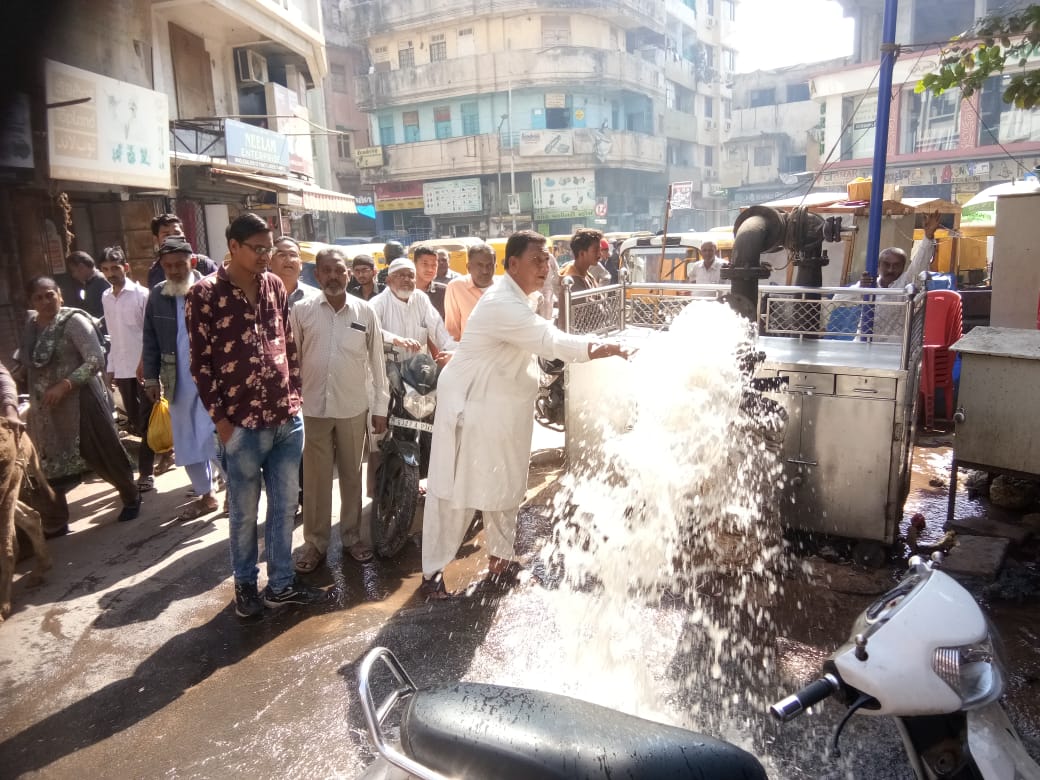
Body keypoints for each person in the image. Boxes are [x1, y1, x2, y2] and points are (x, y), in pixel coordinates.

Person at [419, 230, 629, 599]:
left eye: (546, 259)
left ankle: (500, 560)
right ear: (512, 263)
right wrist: (602, 346)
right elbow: (549, 340)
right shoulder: (504, 302)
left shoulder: (521, 298)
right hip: (473, 407)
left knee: (505, 483)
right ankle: (432, 574)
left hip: (502, 410)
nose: (544, 266)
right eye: (536, 259)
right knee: (458, 491)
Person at [186, 213, 325, 618]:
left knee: (284, 509)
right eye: (259, 249)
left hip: (285, 418)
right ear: (233, 247)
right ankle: (246, 586)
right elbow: (200, 364)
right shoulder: (204, 294)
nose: (267, 256)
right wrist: (222, 423)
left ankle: (280, 584)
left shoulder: (273, 287)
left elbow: (287, 343)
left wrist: (294, 395)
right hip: (241, 425)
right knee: (244, 513)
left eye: (270, 249)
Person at [289, 248, 389, 572]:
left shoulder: (365, 312)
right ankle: (314, 544)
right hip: (314, 407)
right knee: (316, 479)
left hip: (353, 406)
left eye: (339, 270)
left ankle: (350, 537)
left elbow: (377, 363)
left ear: (348, 274)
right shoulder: (302, 311)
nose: (333, 276)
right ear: (317, 275)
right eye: (326, 271)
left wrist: (380, 407)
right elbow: (292, 363)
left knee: (351, 474)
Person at [16, 277, 140, 522]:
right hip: (46, 409)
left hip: (81, 401)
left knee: (101, 450)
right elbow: (28, 363)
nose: (45, 301)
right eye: (39, 297)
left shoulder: (73, 321)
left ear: (59, 294)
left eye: (50, 294)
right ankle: (57, 519)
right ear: (31, 301)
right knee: (49, 461)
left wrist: (64, 385)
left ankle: (130, 495)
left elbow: (95, 359)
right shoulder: (31, 326)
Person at [142, 237, 222, 521]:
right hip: (176, 379)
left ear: (192, 261)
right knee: (187, 438)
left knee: (217, 434)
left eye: (179, 264)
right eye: (168, 266)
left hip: (214, 377)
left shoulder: (213, 287)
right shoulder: (157, 294)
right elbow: (150, 338)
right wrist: (151, 379)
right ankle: (206, 494)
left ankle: (236, 493)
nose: (174, 271)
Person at [98, 246, 155, 493]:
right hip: (121, 369)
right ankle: (163, 451)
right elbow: (113, 335)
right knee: (135, 421)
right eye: (106, 269)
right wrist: (109, 367)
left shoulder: (142, 295)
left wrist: (146, 362)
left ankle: (146, 473)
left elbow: (149, 334)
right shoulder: (106, 297)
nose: (111, 273)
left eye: (115, 268)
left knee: (146, 420)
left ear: (126, 267)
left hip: (144, 368)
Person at [369, 258, 458, 364]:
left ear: (415, 280)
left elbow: (438, 329)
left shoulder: (420, 298)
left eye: (411, 276)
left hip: (417, 370)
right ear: (388, 280)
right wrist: (395, 340)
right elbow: (370, 333)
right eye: (401, 275)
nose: (406, 279)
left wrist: (453, 353)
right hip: (386, 369)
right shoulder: (377, 303)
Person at [147, 213, 218, 288]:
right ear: (156, 240)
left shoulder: (204, 265)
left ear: (183, 235)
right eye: (166, 235)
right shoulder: (155, 272)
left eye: (177, 233)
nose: (173, 238)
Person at [444, 243, 496, 340]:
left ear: (495, 266)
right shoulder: (456, 287)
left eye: (489, 265)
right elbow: (452, 329)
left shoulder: (504, 288)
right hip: (470, 353)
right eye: (480, 265)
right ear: (468, 267)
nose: (485, 271)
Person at [554, 228, 603, 328]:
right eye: (595, 250)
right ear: (581, 253)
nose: (599, 254)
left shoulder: (587, 275)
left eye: (600, 250)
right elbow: (593, 310)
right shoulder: (571, 280)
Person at [57, 251, 110, 322]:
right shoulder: (89, 283)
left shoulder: (101, 281)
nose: (74, 275)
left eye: (73, 271)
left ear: (81, 267)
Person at [268, 235, 318, 308]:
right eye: (282, 255)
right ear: (269, 263)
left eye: (293, 255)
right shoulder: (257, 296)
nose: (288, 260)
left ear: (301, 264)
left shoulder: (316, 298)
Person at [414, 246, 448, 319]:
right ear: (414, 264)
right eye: (425, 264)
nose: (430, 269)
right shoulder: (403, 292)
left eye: (434, 265)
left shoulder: (444, 292)